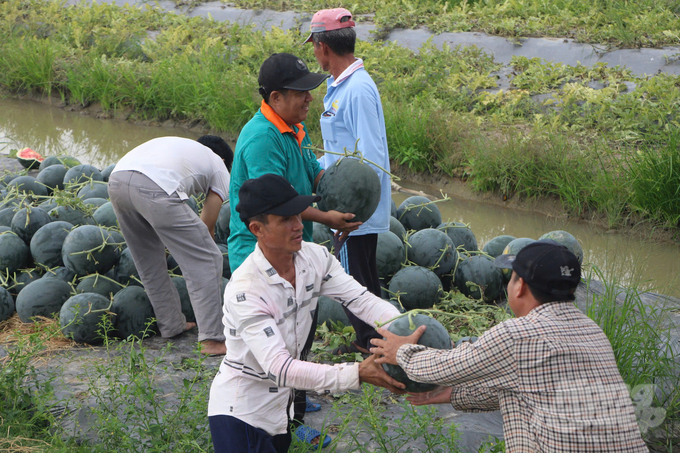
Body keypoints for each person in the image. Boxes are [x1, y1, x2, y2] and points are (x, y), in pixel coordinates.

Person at [370, 241, 648, 452]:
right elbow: (531, 390)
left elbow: (447, 366)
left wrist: (401, 352)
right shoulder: (591, 330)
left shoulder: (517, 335)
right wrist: (454, 395)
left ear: (520, 287)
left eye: (512, 277)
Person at [209, 174, 405, 453]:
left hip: (281, 412)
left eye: (298, 215)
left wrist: (403, 327)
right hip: (241, 414)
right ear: (257, 228)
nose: (299, 225)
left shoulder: (315, 258)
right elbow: (280, 368)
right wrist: (356, 373)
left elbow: (360, 300)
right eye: (286, 219)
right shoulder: (246, 290)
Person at [226, 52, 362, 432]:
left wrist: (345, 192)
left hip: (294, 244)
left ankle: (295, 399)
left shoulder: (294, 129)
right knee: (275, 343)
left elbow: (315, 175)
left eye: (310, 91)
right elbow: (277, 208)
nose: (309, 99)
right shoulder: (262, 138)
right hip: (262, 247)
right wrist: (327, 217)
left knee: (300, 330)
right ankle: (283, 420)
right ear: (274, 98)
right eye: (300, 93)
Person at [305, 8, 392, 354]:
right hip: (345, 202)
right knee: (359, 276)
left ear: (324, 47)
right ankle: (373, 342)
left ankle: (373, 347)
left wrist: (352, 214)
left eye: (314, 46)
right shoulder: (339, 86)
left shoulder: (358, 90)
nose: (314, 53)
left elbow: (369, 157)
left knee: (354, 279)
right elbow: (341, 151)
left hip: (356, 209)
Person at [109, 135, 233, 355]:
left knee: (148, 261)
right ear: (224, 160)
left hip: (117, 181)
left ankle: (171, 324)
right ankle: (212, 340)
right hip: (156, 187)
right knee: (207, 258)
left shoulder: (180, 148)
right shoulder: (219, 166)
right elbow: (207, 224)